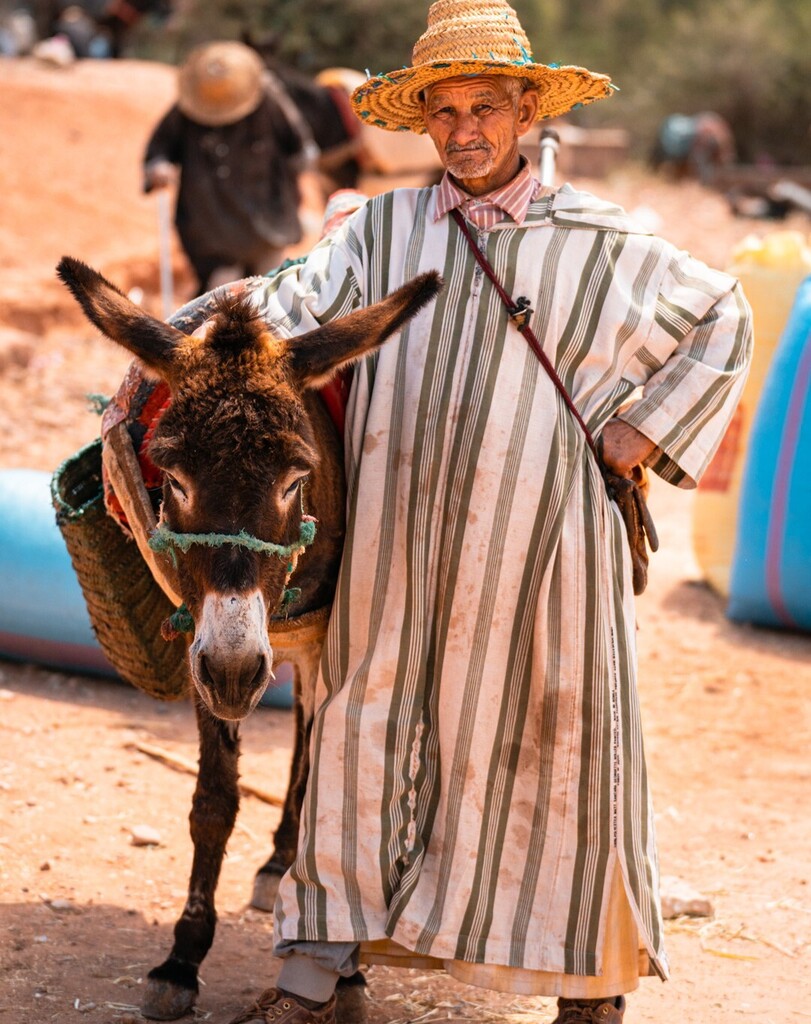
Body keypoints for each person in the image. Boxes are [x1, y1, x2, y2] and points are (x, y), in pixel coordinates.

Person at [222, 2, 753, 1022]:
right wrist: (194, 336)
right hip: (395, 542)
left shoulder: (604, 241)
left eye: (485, 107)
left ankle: (587, 983)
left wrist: (642, 430)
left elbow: (722, 315)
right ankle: (317, 970)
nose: (464, 130)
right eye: (444, 110)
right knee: (361, 723)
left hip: (547, 547)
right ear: (422, 119)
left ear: (525, 111)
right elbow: (287, 307)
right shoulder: (378, 232)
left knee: (560, 736)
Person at [144, 40, 315, 294]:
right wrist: (158, 168)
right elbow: (159, 150)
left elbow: (301, 150)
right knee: (221, 299)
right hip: (211, 226)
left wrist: (291, 189)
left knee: (269, 294)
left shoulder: (269, 101)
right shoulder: (186, 110)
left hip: (267, 222)